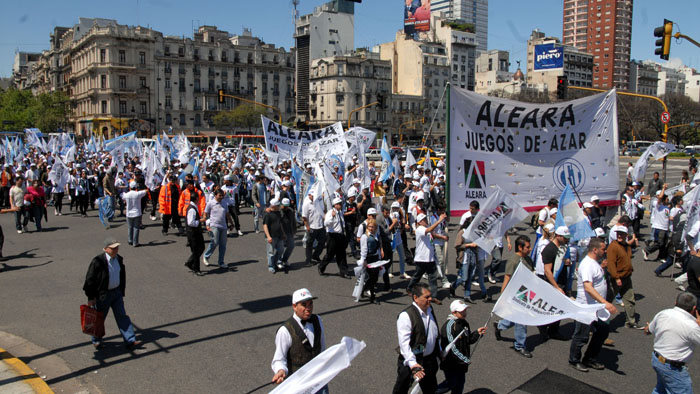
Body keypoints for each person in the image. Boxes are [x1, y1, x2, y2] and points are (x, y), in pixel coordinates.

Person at [568, 237, 619, 372]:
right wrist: (605, 302)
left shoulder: (595, 263)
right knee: (581, 336)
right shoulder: (587, 265)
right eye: (603, 249)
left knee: (602, 332)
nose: (605, 251)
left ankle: (589, 358)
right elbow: (588, 287)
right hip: (586, 308)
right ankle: (574, 360)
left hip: (597, 308)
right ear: (595, 250)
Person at [82, 238, 142, 350]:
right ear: (105, 249)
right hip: (103, 295)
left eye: (117, 247)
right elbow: (89, 280)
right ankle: (96, 340)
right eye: (113, 248)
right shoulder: (98, 261)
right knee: (100, 318)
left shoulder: (118, 259)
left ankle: (130, 340)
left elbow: (121, 275)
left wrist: (121, 290)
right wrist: (91, 297)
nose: (116, 249)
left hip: (116, 293)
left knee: (122, 316)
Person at [271, 288, 327, 393]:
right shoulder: (285, 331)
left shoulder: (317, 320)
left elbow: (323, 349)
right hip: (298, 385)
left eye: (310, 304)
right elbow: (279, 359)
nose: (308, 308)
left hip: (319, 380)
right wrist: (281, 370)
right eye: (304, 305)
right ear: (294, 307)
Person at [645, 292, 700, 394]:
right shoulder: (692, 327)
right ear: (694, 308)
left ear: (675, 302)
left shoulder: (664, 313)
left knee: (661, 389)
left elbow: (648, 330)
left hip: (657, 359)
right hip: (673, 368)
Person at [392, 282, 440, 394]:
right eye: (426, 297)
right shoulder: (406, 315)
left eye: (430, 296)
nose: (430, 299)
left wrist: (439, 350)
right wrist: (413, 364)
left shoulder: (430, 309)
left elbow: (434, 332)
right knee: (401, 388)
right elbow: (404, 344)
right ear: (415, 298)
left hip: (429, 360)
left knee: (431, 389)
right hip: (411, 360)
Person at [493, 235, 535, 358]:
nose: (530, 248)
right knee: (521, 320)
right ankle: (519, 346)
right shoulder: (513, 261)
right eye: (527, 247)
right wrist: (503, 297)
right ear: (520, 247)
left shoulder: (528, 259)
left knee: (516, 318)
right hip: (516, 295)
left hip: (527, 294)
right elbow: (507, 279)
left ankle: (500, 325)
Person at [436, 300, 487, 394]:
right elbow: (452, 347)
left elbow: (468, 340)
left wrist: (477, 333)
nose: (464, 313)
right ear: (453, 312)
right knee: (450, 383)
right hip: (451, 363)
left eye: (465, 310)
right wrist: (464, 359)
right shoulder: (449, 326)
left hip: (461, 364)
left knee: (459, 385)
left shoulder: (464, 323)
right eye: (461, 311)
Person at [606, 225, 644, 329]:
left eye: (622, 234)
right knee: (607, 300)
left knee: (630, 299)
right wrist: (616, 277)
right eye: (618, 233)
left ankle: (631, 321)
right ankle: (600, 322)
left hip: (627, 277)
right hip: (617, 278)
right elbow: (611, 264)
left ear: (626, 235)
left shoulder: (626, 246)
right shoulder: (613, 246)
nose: (619, 235)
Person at [537, 226, 570, 340]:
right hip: (553, 284)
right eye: (565, 238)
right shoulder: (549, 249)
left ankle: (553, 330)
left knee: (559, 308)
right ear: (558, 236)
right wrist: (557, 287)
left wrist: (566, 262)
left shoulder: (561, 248)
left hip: (561, 282)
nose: (567, 240)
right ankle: (544, 327)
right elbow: (547, 270)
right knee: (551, 307)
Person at [407, 212, 447, 303]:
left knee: (433, 277)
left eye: (425, 219)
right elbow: (429, 230)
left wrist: (442, 236)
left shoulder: (426, 229)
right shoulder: (420, 229)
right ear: (420, 222)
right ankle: (409, 288)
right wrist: (439, 220)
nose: (426, 221)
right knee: (417, 275)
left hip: (430, 258)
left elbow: (432, 233)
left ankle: (433, 296)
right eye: (423, 220)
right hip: (421, 258)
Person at [319, 197, 350, 278]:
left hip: (340, 236)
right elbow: (326, 223)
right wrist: (332, 217)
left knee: (342, 254)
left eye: (341, 204)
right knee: (330, 254)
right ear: (335, 205)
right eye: (339, 204)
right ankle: (321, 266)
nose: (340, 205)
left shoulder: (340, 213)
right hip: (332, 236)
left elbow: (342, 224)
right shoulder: (330, 212)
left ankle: (344, 271)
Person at [203, 188, 233, 269]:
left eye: (222, 196)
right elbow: (205, 213)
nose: (221, 197)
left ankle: (221, 262)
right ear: (215, 195)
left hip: (223, 226)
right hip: (214, 225)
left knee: (223, 245)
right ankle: (206, 256)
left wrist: (231, 223)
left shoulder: (224, 203)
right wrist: (207, 224)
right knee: (215, 241)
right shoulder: (211, 203)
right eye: (219, 196)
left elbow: (227, 214)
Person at [359, 218, 384, 303]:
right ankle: (372, 297)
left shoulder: (376, 235)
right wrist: (364, 260)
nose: (371, 228)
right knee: (371, 276)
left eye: (372, 227)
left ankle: (363, 289)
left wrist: (380, 255)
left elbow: (379, 245)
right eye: (369, 227)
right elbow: (363, 249)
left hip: (376, 258)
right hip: (368, 258)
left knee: (375, 277)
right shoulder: (364, 236)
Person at [302, 189, 326, 267]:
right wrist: (307, 227)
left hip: (320, 226)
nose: (313, 197)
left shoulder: (319, 201)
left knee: (322, 242)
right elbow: (304, 217)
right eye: (312, 196)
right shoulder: (306, 204)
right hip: (311, 227)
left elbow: (323, 211)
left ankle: (315, 255)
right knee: (309, 244)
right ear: (309, 195)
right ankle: (308, 260)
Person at [264, 199, 286, 274]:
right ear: (274, 206)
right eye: (277, 205)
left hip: (279, 235)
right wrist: (268, 236)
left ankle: (275, 262)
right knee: (270, 252)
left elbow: (280, 224)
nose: (279, 206)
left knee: (280, 250)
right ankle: (271, 266)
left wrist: (283, 233)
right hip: (271, 236)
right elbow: (265, 226)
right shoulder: (267, 214)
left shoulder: (278, 213)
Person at [122, 181, 147, 247]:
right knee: (136, 228)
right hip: (137, 213)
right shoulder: (138, 194)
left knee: (130, 227)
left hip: (129, 214)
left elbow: (122, 195)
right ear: (136, 187)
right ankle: (135, 242)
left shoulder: (126, 194)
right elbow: (145, 191)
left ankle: (130, 240)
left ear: (130, 187)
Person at [184, 197, 205, 276]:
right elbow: (190, 222)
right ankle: (196, 269)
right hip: (193, 233)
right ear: (196, 200)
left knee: (201, 248)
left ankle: (190, 262)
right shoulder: (192, 209)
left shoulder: (193, 207)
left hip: (197, 232)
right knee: (196, 250)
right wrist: (200, 220)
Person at [280, 198, 297, 269]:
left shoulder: (290, 210)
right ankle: (279, 261)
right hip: (281, 233)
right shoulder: (278, 211)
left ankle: (284, 259)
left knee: (291, 246)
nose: (286, 207)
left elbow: (293, 221)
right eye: (284, 206)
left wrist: (294, 230)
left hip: (289, 231)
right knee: (280, 248)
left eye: (287, 206)